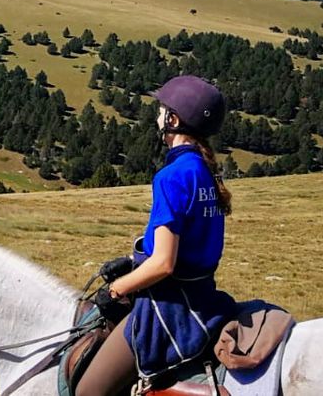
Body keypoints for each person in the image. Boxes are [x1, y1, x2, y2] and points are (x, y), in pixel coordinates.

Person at [77, 75, 237, 395]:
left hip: (169, 309)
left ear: (173, 120)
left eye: (161, 110)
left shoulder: (171, 177)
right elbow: (188, 246)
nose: (157, 117)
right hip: (205, 297)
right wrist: (131, 261)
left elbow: (164, 263)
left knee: (87, 392)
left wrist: (115, 290)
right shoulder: (205, 171)